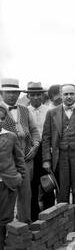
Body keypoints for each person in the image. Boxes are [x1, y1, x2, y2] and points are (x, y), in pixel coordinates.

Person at [42, 84, 75, 204]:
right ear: (61, 95)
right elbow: (46, 137)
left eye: (71, 94)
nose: (69, 96)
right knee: (62, 190)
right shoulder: (52, 113)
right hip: (60, 156)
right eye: (66, 94)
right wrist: (46, 160)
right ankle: (63, 218)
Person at [0, 78, 40, 224]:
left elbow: (35, 130)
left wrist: (35, 145)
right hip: (6, 161)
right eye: (8, 92)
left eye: (15, 92)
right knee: (6, 195)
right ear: (1, 93)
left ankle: (24, 227)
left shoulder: (25, 110)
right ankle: (6, 230)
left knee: (25, 194)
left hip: (26, 158)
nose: (12, 95)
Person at [26, 82, 54, 221]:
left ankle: (50, 215)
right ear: (28, 96)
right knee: (32, 186)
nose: (36, 98)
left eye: (38, 94)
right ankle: (34, 217)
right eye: (33, 95)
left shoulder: (50, 110)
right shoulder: (24, 111)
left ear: (42, 95)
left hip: (46, 151)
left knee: (48, 184)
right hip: (30, 152)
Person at [0, 105, 25, 250]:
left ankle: (3, 249)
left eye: (1, 118)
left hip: (6, 183)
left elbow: (19, 159)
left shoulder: (10, 136)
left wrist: (19, 177)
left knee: (4, 219)